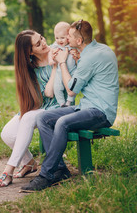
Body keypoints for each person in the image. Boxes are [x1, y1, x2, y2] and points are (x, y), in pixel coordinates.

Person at [20, 20, 119, 192]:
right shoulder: (97, 50)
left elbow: (72, 90)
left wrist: (63, 62)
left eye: (69, 36)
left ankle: (46, 175)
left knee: (62, 122)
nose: (66, 38)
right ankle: (59, 169)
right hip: (86, 106)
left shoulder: (91, 56)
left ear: (79, 41)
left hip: (101, 112)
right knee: (43, 117)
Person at [0, 29, 59, 187]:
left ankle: (7, 171)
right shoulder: (30, 68)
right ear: (29, 52)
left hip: (57, 107)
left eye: (41, 38)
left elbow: (52, 94)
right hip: (39, 107)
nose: (44, 43)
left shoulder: (57, 52)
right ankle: (29, 162)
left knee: (29, 117)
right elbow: (37, 98)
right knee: (7, 133)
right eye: (38, 44)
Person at [48, 21, 76, 107]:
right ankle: (61, 103)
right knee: (57, 87)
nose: (59, 40)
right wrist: (50, 60)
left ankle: (69, 102)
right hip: (59, 71)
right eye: (57, 38)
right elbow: (50, 51)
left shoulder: (72, 45)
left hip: (72, 70)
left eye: (62, 38)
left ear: (68, 36)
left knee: (74, 86)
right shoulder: (55, 46)